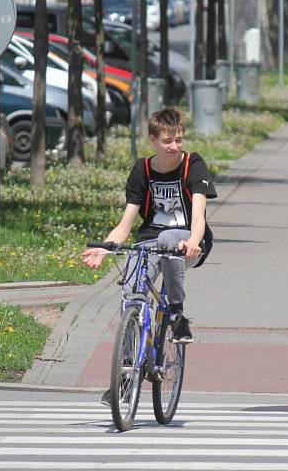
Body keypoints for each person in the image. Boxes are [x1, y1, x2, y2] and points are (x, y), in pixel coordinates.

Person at [81, 107, 217, 405]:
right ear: (153, 139)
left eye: (179, 139)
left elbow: (199, 216)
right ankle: (127, 375)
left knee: (169, 238)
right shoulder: (142, 170)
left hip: (187, 241)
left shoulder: (193, 165)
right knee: (131, 293)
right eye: (168, 141)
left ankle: (178, 316)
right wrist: (105, 248)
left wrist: (194, 242)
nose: (175, 146)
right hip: (149, 240)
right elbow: (125, 224)